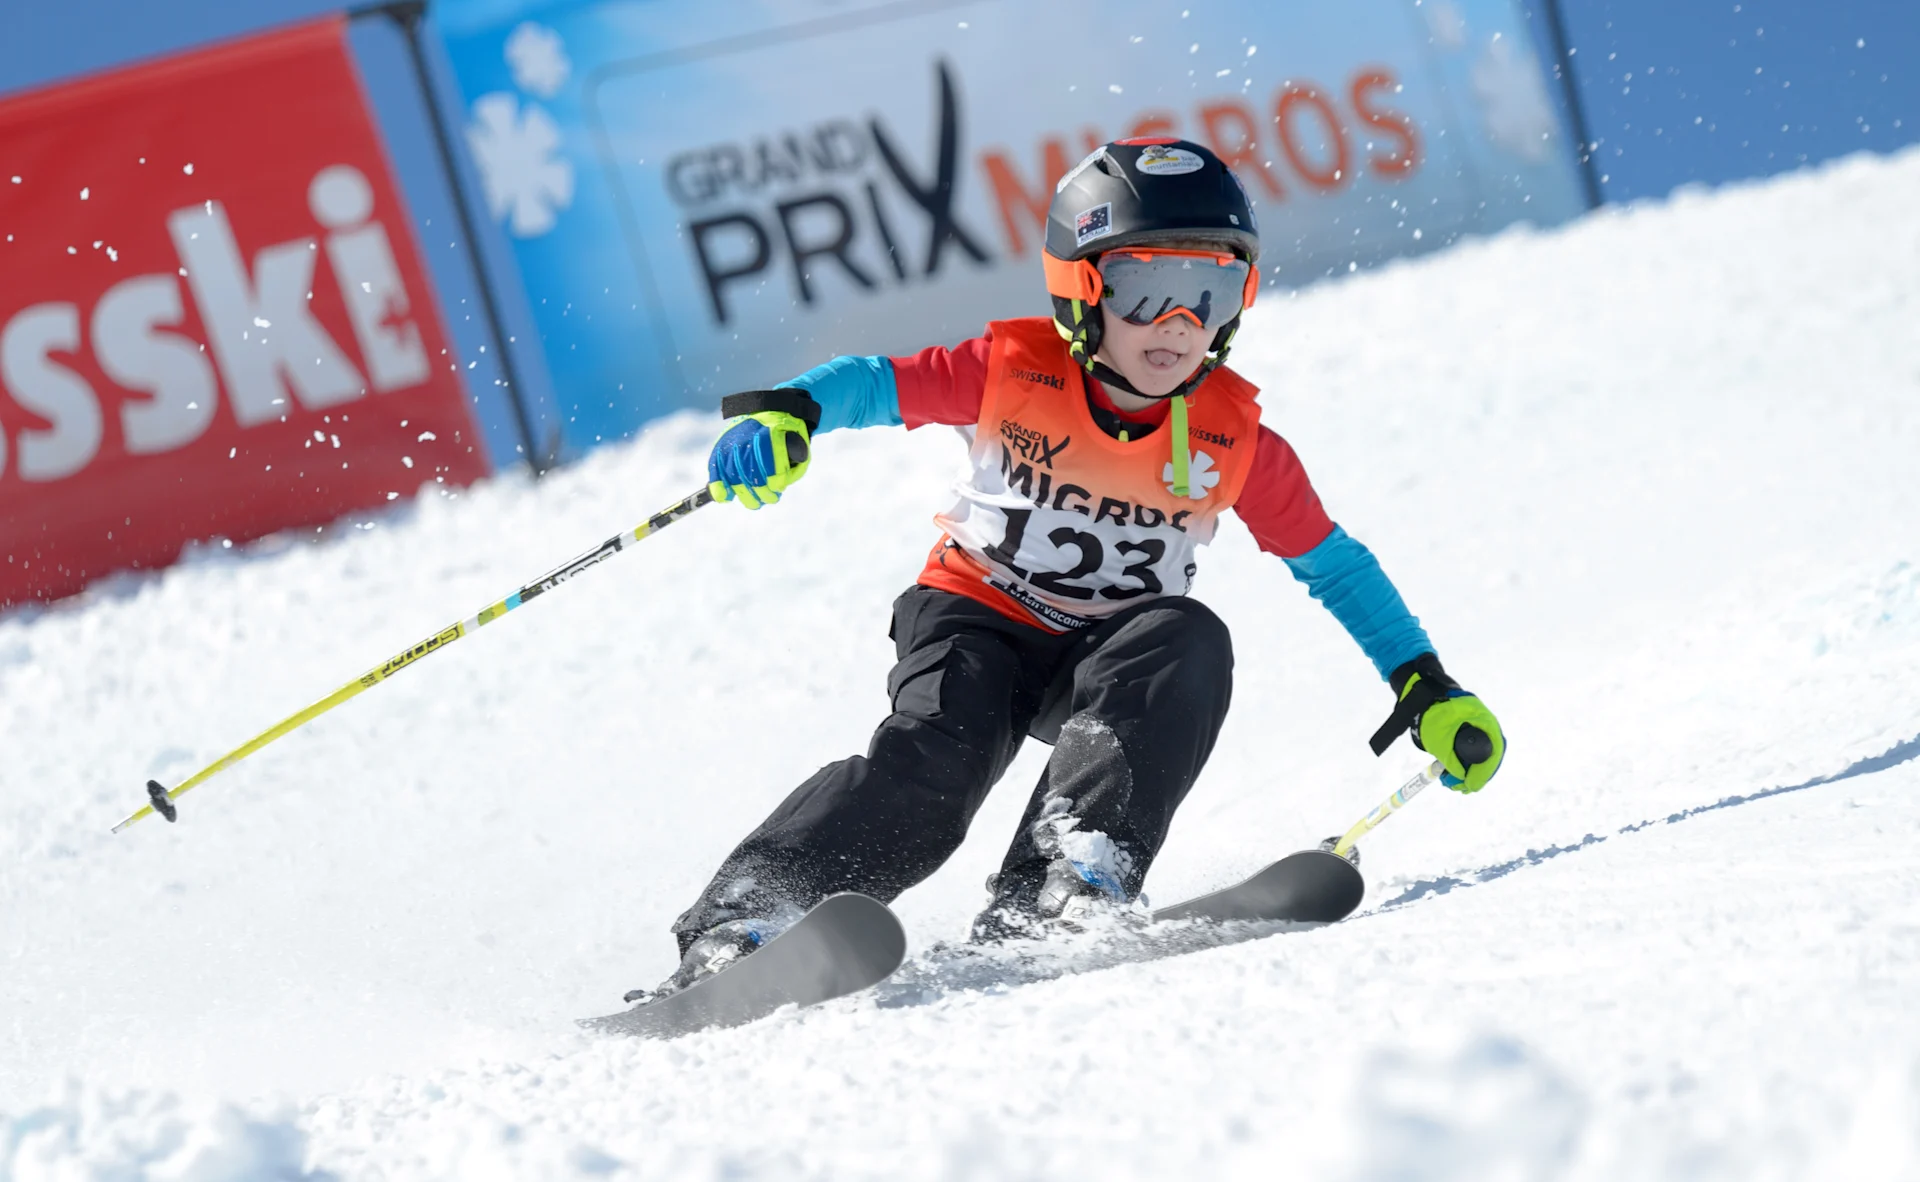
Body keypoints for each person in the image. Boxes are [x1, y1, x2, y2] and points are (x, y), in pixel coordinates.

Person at [651, 138, 1505, 996]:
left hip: (1108, 651)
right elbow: (876, 383)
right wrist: (792, 413)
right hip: (977, 615)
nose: (1177, 324)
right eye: (1147, 290)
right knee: (936, 770)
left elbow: (1336, 566)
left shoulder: (1235, 439)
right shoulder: (1012, 375)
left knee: (1186, 638)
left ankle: (1062, 886)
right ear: (1081, 290)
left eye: (1207, 293)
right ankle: (746, 918)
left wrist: (1423, 681)